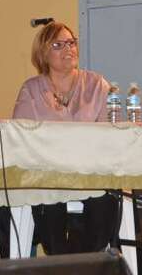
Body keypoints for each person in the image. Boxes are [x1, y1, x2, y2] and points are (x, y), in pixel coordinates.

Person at [12, 21, 119, 255]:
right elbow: (20, 138)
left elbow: (111, 135)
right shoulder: (31, 89)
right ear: (43, 53)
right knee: (48, 201)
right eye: (58, 45)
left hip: (91, 174)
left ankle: (85, 263)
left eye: (71, 42)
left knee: (105, 200)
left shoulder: (96, 85)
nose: (68, 49)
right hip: (49, 174)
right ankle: (61, 263)